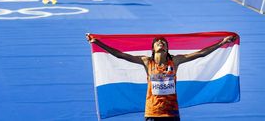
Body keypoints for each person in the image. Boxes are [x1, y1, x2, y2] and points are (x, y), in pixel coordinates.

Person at [86, 34, 237, 121]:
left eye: (163, 42)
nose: (161, 43)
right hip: (152, 112)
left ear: (166, 48)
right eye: (157, 42)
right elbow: (120, 55)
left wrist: (221, 43)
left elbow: (201, 53)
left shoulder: (175, 61)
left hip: (171, 113)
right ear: (153, 48)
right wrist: (99, 43)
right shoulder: (147, 62)